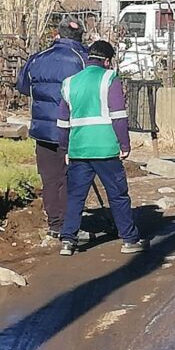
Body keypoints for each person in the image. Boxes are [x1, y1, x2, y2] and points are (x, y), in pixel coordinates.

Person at [57, 40, 147, 256]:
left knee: (76, 197)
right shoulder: (109, 78)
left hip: (78, 149)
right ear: (107, 61)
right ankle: (129, 239)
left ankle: (68, 241)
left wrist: (65, 148)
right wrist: (124, 144)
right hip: (106, 149)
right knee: (118, 195)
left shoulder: (69, 83)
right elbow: (118, 116)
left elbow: (62, 122)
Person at [15, 18, 88, 239]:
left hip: (42, 128)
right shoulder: (82, 59)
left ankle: (54, 223)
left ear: (57, 33)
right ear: (80, 36)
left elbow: (22, 86)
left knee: (49, 177)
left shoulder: (37, 59)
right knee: (69, 177)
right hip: (72, 129)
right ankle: (67, 225)